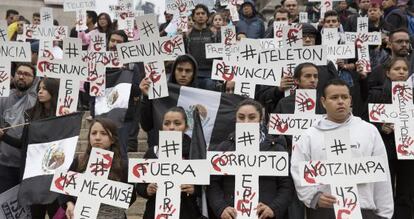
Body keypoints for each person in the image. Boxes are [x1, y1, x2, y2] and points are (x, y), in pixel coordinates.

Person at [291, 79, 394, 219]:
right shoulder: (309, 135)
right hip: (326, 210)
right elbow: (298, 170)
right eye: (334, 97)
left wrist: (385, 214)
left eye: (344, 97)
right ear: (323, 101)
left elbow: (383, 175)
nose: (340, 101)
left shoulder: (369, 131)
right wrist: (314, 197)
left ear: (350, 100)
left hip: (364, 209)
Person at [207, 99, 294, 219]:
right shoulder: (224, 148)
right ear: (235, 119)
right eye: (241, 117)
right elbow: (213, 183)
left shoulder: (276, 149)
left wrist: (273, 208)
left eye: (252, 117)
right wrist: (221, 208)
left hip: (264, 215)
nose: (246, 122)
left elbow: (287, 185)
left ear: (261, 119)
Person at [0, 77, 63, 218]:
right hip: (34, 173)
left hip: (55, 173)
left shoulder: (62, 115)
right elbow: (24, 143)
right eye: (39, 88)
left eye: (44, 89)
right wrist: (4, 136)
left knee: (57, 213)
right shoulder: (31, 113)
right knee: (36, 213)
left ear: (54, 91)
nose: (40, 92)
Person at [366, 57, 413, 218]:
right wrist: (381, 127)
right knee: (384, 192)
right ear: (388, 73)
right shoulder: (376, 93)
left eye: (404, 70)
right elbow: (365, 122)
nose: (401, 72)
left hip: (408, 151)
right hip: (385, 149)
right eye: (397, 69)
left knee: (405, 194)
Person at [137, 107, 203, 219]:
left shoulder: (196, 153)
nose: (171, 127)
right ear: (162, 127)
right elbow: (139, 185)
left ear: (186, 127)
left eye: (177, 123)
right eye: (167, 123)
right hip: (155, 212)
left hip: (187, 213)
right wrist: (147, 190)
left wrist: (195, 189)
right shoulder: (152, 152)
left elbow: (208, 186)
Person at [62, 118, 135, 218]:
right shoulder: (79, 161)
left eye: (103, 133)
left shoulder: (123, 165)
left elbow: (131, 197)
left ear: (112, 139)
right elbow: (64, 189)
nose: (97, 138)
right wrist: (69, 203)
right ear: (89, 137)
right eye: (94, 133)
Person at [139, 54, 199, 149]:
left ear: (194, 73)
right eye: (179, 69)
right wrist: (146, 97)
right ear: (174, 71)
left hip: (190, 154)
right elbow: (146, 126)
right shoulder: (159, 92)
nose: (183, 74)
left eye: (188, 71)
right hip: (161, 150)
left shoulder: (201, 97)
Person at [0, 63, 37, 194]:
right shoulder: (3, 97)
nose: (22, 76)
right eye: (19, 73)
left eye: (27, 74)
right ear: (13, 75)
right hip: (5, 164)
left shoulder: (37, 99)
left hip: (29, 165)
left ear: (34, 79)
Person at [185, 4, 219, 90]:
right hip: (192, 74)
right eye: (197, 13)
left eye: (203, 13)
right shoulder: (187, 34)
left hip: (210, 75)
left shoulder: (214, 34)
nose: (200, 15)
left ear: (207, 16)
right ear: (193, 17)